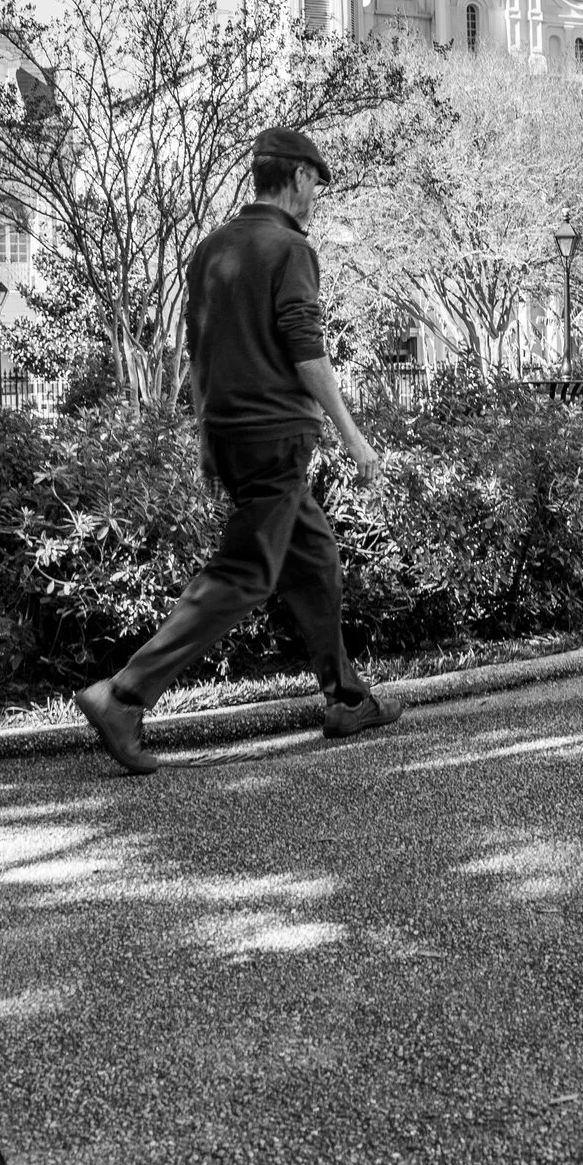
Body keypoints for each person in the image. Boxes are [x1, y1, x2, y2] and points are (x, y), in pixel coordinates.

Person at [74, 128, 400, 775]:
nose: (316, 198)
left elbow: (200, 352)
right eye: (316, 184)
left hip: (231, 435)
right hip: (276, 437)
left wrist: (205, 438)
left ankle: (345, 697)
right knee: (245, 574)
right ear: (300, 177)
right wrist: (354, 435)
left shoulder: (209, 250)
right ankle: (123, 695)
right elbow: (307, 348)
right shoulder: (289, 250)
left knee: (316, 559)